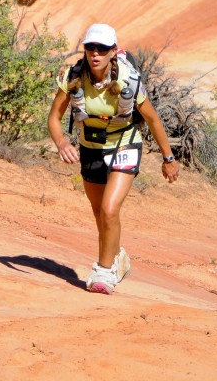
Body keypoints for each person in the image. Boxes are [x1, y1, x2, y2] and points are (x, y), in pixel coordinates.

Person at [47, 22, 180, 294]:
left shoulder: (128, 80)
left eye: (102, 48)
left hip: (124, 144)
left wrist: (168, 158)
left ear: (113, 52)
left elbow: (152, 120)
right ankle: (117, 257)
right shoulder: (73, 77)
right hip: (90, 147)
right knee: (100, 214)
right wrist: (61, 142)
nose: (95, 53)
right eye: (90, 47)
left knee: (109, 209)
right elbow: (54, 118)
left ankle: (103, 272)